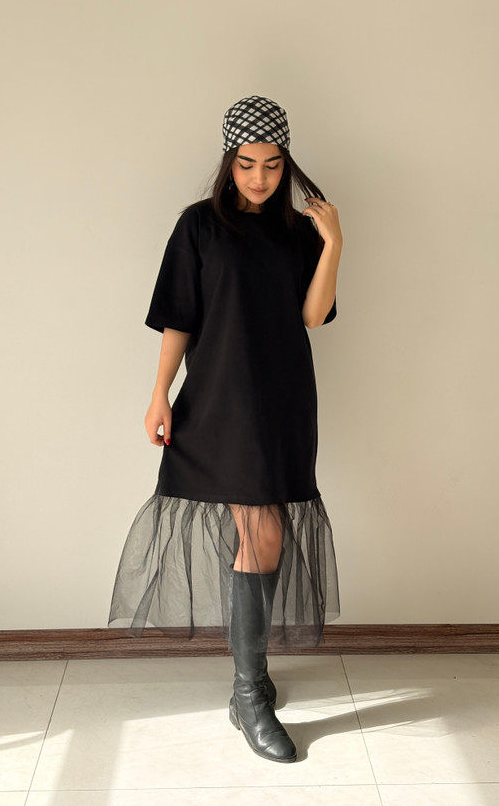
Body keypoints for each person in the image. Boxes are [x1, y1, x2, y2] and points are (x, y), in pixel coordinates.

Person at [108, 95, 342, 763]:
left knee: (265, 536)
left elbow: (314, 316)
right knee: (258, 533)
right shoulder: (198, 226)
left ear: (285, 163)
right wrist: (159, 394)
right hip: (218, 400)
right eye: (246, 164)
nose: (259, 177)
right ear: (228, 162)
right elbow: (177, 315)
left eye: (271, 164)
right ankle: (248, 692)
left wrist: (334, 242)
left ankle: (251, 684)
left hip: (284, 399)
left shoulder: (298, 231)